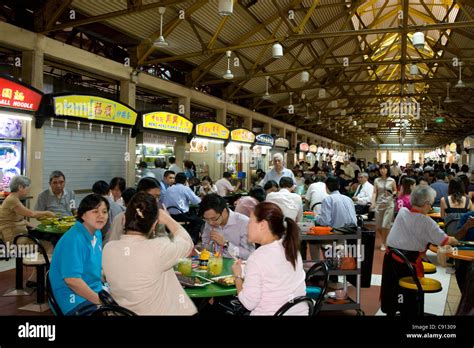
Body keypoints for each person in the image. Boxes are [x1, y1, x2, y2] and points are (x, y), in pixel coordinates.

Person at [103, 192, 196, 315]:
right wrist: (168, 219)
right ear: (154, 225)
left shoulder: (108, 248)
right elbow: (188, 244)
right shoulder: (159, 248)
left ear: (124, 219)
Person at [381, 186, 459, 316]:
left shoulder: (402, 212)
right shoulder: (427, 222)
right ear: (426, 203)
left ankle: (394, 309)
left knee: (394, 292)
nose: (431, 207)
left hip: (391, 261)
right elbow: (444, 240)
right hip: (408, 266)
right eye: (431, 203)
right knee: (409, 298)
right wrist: (455, 240)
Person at [231, 202, 307, 315]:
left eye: (250, 221)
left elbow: (248, 303)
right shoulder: (291, 248)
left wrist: (237, 276)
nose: (247, 226)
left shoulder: (257, 258)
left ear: (262, 225)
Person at [49, 194, 110, 315]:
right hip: (73, 298)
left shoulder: (96, 233)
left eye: (104, 211)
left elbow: (95, 268)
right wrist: (100, 302)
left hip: (93, 289)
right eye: (95, 211)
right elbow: (72, 281)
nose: (101, 216)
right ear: (82, 215)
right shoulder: (73, 239)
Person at [0, 175, 55, 244]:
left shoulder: (13, 198)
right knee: (49, 245)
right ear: (20, 187)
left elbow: (18, 219)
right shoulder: (12, 200)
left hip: (17, 233)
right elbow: (31, 214)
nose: (28, 191)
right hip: (12, 237)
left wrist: (33, 226)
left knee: (46, 238)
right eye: (27, 189)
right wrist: (47, 213)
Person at [200, 194, 254, 260]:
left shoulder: (244, 223)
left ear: (224, 211)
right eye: (206, 219)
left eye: (214, 219)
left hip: (237, 266)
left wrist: (226, 244)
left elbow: (250, 254)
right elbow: (205, 244)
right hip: (215, 263)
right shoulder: (209, 222)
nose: (210, 223)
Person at [161, 173, 202, 243]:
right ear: (185, 181)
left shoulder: (169, 189)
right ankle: (192, 239)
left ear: (175, 180)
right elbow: (196, 201)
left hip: (170, 216)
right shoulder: (185, 188)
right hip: (182, 216)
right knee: (199, 221)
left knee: (192, 218)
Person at [372, 164, 397, 251]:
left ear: (387, 170)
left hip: (389, 204)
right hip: (379, 204)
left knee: (385, 224)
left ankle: (384, 242)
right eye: (381, 169)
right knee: (378, 226)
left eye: (384, 169)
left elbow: (395, 190)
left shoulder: (392, 180)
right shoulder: (376, 180)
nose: (383, 170)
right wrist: (373, 202)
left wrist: (393, 193)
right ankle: (386, 238)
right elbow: (375, 192)